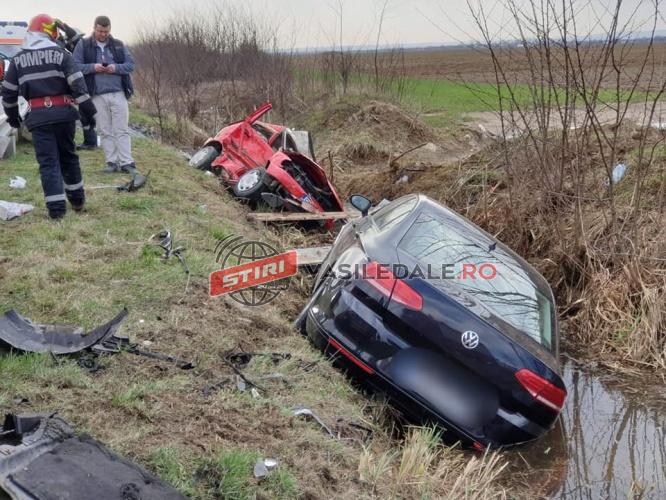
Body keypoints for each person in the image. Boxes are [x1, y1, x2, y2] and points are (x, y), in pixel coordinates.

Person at [1, 13, 96, 220]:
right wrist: (89, 114)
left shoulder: (18, 60)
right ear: (50, 32)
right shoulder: (62, 55)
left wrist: (13, 118)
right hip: (64, 115)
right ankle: (77, 201)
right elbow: (79, 87)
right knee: (69, 157)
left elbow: (8, 94)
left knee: (48, 163)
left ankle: (56, 210)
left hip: (38, 119)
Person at [73, 15, 135, 173]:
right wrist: (94, 67)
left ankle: (127, 162)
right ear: (94, 28)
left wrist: (115, 68)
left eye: (106, 31)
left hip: (118, 93)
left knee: (122, 129)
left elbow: (130, 65)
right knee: (105, 130)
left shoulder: (118, 45)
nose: (103, 34)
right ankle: (111, 162)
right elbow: (75, 66)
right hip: (96, 94)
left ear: (110, 30)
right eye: (100, 31)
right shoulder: (83, 44)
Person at [54, 18, 98, 150]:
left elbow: (72, 40)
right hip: (82, 83)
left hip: (86, 83)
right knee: (84, 114)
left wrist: (64, 27)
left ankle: (91, 142)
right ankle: (90, 141)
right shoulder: (78, 48)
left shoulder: (82, 47)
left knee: (86, 114)